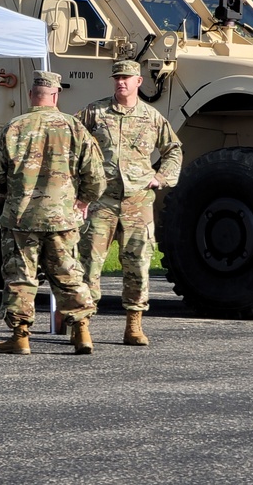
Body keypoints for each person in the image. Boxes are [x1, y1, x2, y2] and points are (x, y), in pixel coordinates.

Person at [0, 70, 106, 355]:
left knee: (20, 276)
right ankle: (81, 332)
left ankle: (21, 336)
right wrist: (83, 201)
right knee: (68, 273)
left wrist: (11, 191)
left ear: (31, 95)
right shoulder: (75, 128)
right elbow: (97, 176)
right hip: (62, 218)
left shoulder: (14, 127)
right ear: (56, 94)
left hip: (21, 217)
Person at [76, 59, 182, 346]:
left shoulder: (152, 117)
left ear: (138, 82)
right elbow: (71, 144)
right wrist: (79, 186)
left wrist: (161, 178)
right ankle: (82, 325)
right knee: (88, 264)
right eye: (117, 78)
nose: (121, 82)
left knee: (137, 264)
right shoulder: (94, 113)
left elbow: (173, 149)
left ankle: (133, 325)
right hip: (101, 200)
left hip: (138, 202)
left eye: (127, 77)